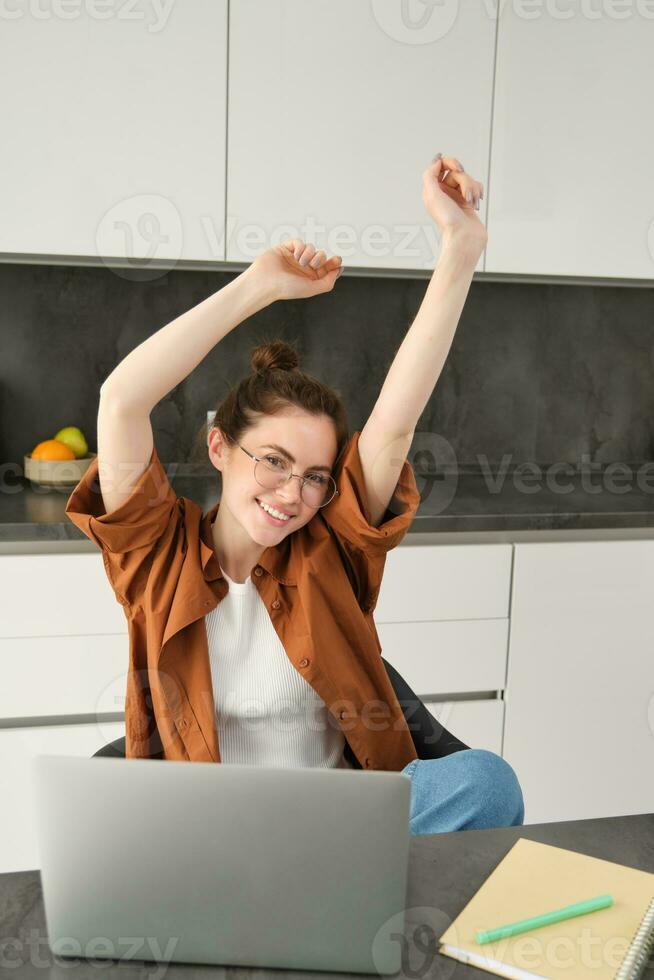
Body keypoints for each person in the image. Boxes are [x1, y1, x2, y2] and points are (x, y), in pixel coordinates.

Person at [66, 153, 524, 833]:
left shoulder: (329, 547)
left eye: (315, 476)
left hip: (340, 826)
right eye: (274, 461)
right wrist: (256, 286)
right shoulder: (155, 555)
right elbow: (121, 400)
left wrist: (460, 248)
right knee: (98, 814)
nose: (294, 494)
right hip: (214, 833)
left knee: (487, 782)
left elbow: (394, 424)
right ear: (220, 446)